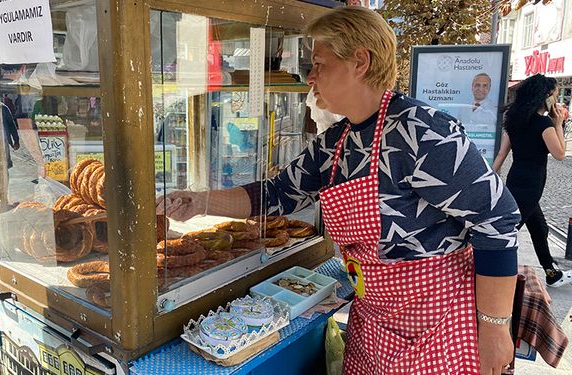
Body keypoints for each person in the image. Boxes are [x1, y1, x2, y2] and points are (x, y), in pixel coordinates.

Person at [158, 7, 520, 374]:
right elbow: (277, 194)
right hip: (373, 324)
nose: (311, 77)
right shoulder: (335, 142)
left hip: (438, 329)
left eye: (320, 64)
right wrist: (200, 201)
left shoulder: (421, 132)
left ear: (360, 61)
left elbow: (498, 220)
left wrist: (494, 329)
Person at [492, 74, 571, 288]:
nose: (557, 101)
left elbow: (501, 154)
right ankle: (479, 265)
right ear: (545, 98)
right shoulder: (544, 124)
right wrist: (558, 123)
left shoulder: (516, 119)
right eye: (555, 97)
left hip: (516, 180)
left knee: (539, 228)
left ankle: (552, 273)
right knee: (506, 231)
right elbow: (560, 154)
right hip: (532, 186)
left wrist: (490, 177)